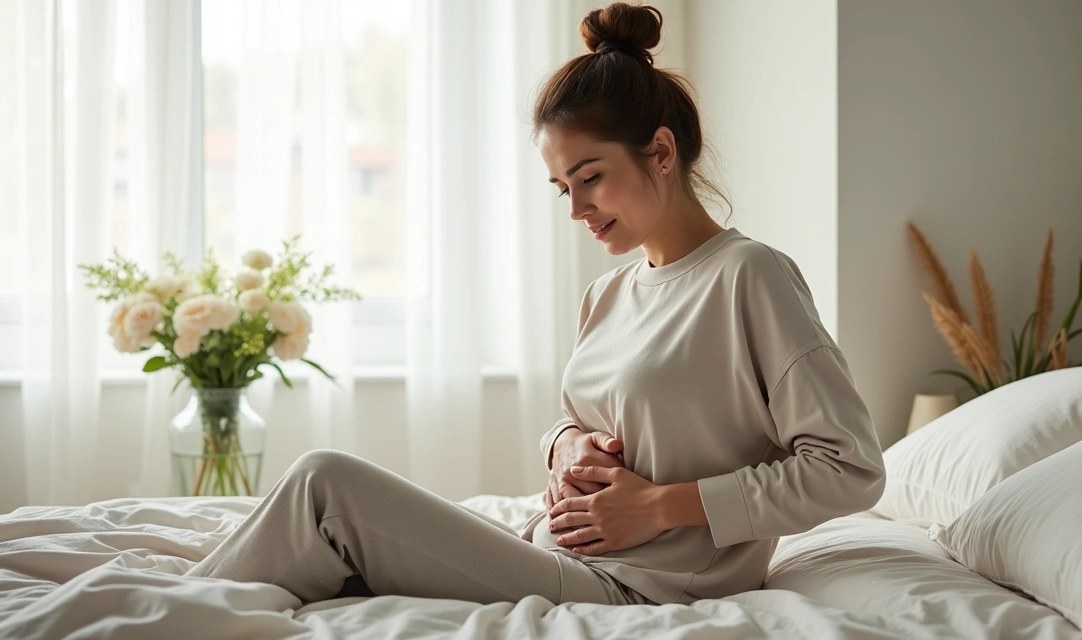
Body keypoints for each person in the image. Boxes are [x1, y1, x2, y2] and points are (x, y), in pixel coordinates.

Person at [185, 2, 885, 608]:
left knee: (321, 484)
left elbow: (850, 467)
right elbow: (582, 420)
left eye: (591, 178)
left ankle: (165, 611)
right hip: (548, 547)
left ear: (662, 153)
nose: (577, 208)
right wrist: (565, 446)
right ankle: (181, 604)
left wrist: (660, 507)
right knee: (316, 519)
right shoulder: (609, 293)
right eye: (562, 188)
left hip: (635, 584)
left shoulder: (748, 278)